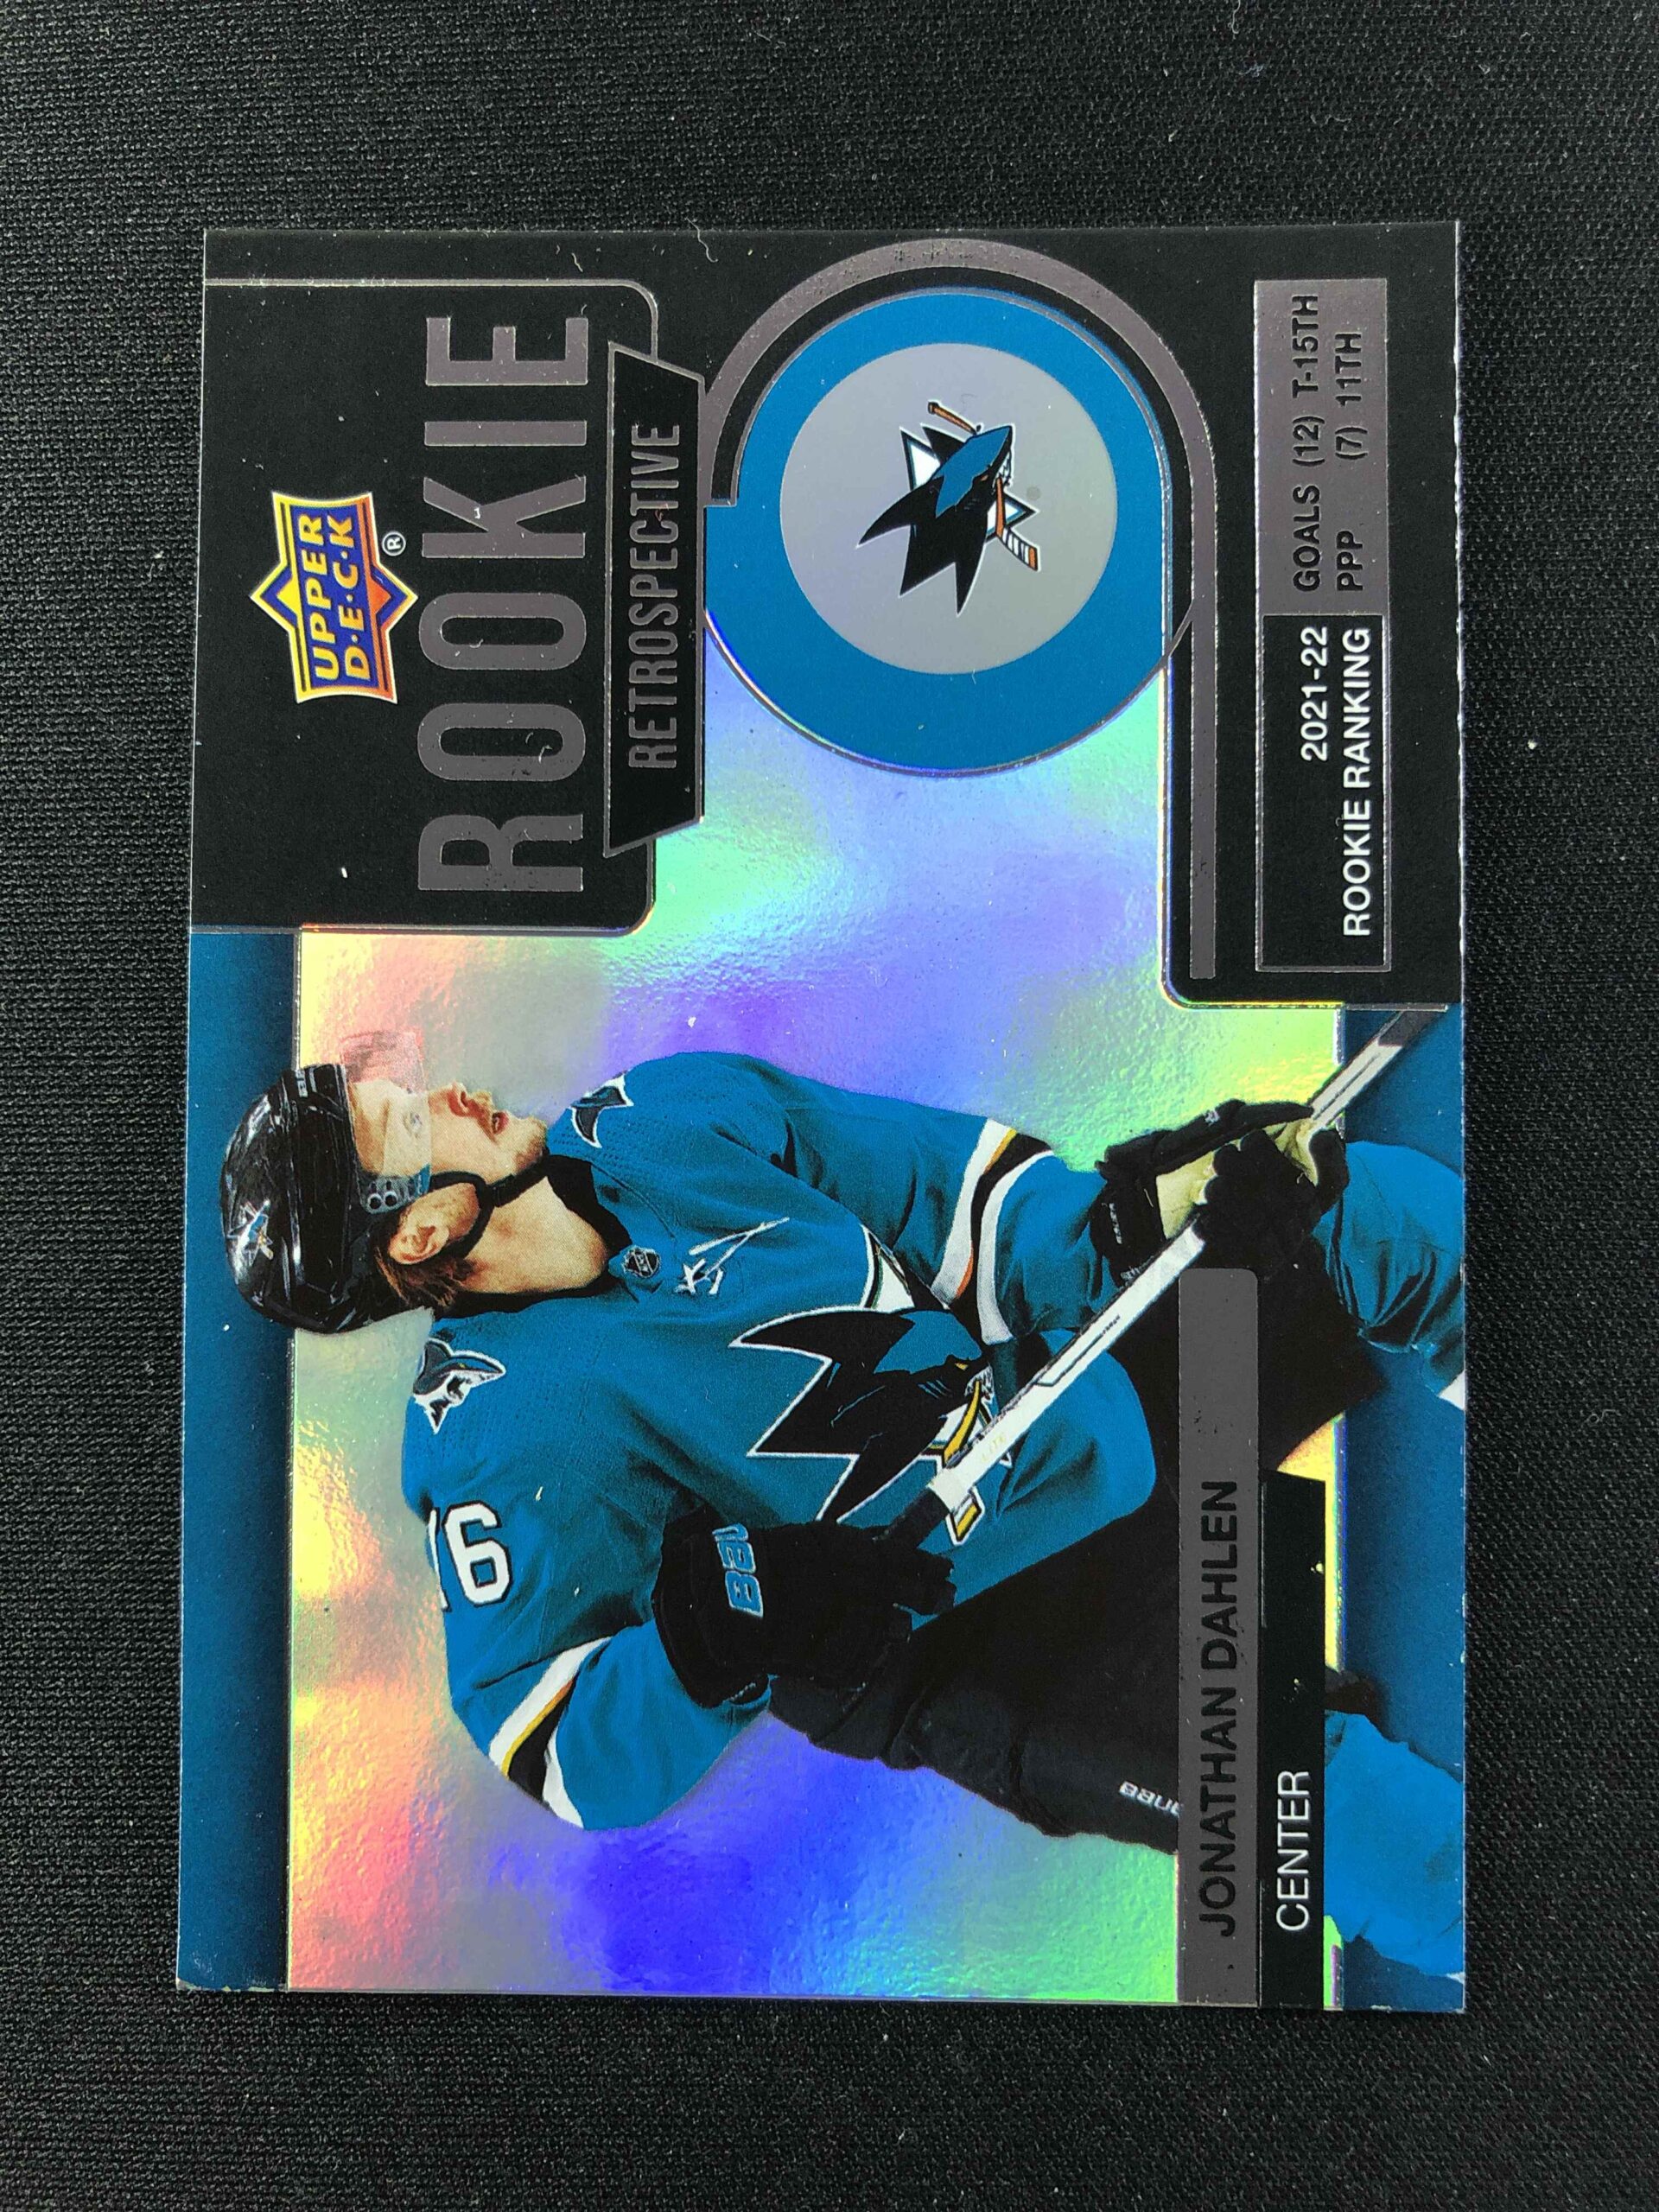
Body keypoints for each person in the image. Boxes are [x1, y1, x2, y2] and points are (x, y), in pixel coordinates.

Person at [221, 1037, 1465, 1978]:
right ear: (420, 1231)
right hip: (977, 1646)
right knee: (1350, 1817)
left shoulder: (668, 1116)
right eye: (408, 1123)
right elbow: (552, 1743)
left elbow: (965, 1213)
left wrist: (1146, 1210)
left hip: (1071, 1414)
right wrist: (715, 1634)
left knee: (1363, 1212)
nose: (449, 1092)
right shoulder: (490, 1431)